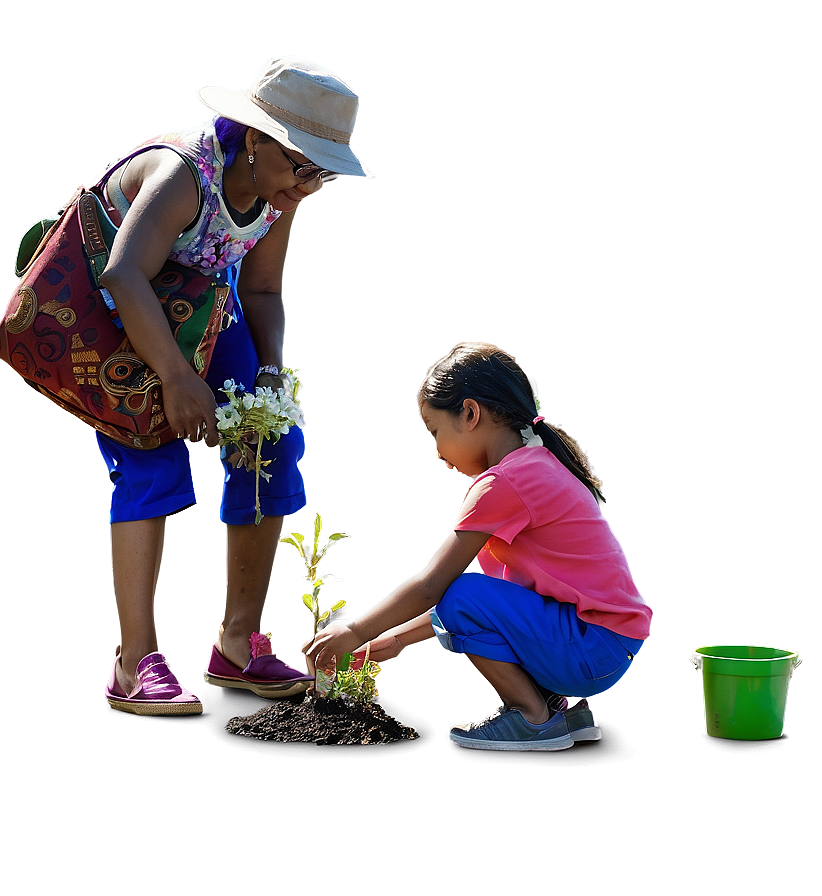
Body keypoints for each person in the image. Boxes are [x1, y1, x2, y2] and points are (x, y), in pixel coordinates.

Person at [96, 54, 374, 715]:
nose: (309, 186)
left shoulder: (280, 198)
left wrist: (270, 371)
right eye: (301, 166)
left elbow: (265, 288)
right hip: (120, 318)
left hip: (198, 313)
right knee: (150, 458)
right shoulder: (181, 174)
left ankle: (238, 645)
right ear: (254, 139)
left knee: (273, 438)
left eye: (322, 173)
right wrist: (174, 378)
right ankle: (135, 665)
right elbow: (123, 274)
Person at [305, 343, 652, 750]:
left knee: (463, 592)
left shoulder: (503, 484)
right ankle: (568, 709)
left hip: (593, 649)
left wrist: (353, 629)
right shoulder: (537, 466)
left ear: (469, 414)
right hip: (608, 644)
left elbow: (434, 586)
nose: (437, 452)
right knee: (475, 595)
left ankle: (532, 717)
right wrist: (399, 639)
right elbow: (499, 603)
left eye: (434, 431)